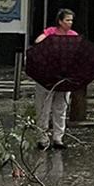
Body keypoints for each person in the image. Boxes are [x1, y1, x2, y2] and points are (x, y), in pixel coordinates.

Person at [33, 8, 78, 150]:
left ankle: (58, 138)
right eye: (67, 20)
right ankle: (43, 138)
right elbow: (38, 41)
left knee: (60, 108)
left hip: (64, 77)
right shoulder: (50, 32)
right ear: (60, 21)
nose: (70, 23)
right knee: (43, 108)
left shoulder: (73, 35)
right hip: (47, 76)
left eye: (71, 20)